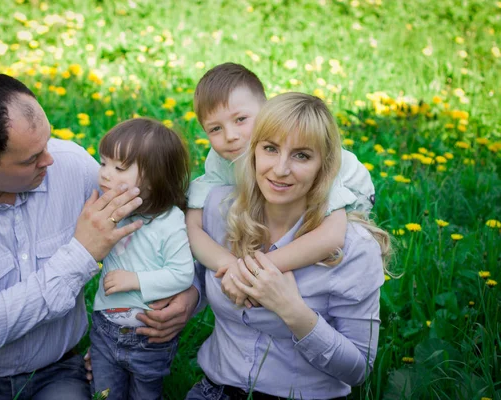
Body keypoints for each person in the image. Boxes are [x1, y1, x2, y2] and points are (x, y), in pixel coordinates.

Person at [0, 74, 195, 400]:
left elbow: (161, 216)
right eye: (31, 159)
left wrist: (190, 293)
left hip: (57, 372)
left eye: (47, 142)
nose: (49, 159)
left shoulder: (69, 166)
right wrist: (82, 253)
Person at [186, 92, 391, 400]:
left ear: (325, 165)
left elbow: (358, 370)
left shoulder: (354, 247)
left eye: (301, 156)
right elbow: (186, 275)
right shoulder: (219, 210)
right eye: (270, 149)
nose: (280, 169)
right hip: (214, 391)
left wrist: (291, 309)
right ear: (252, 151)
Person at [185, 63, 376, 307]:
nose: (230, 135)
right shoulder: (222, 160)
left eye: (241, 119)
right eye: (215, 129)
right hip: (283, 203)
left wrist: (254, 271)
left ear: (267, 111)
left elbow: (332, 236)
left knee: (328, 256)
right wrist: (229, 265)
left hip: (351, 195)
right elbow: (192, 226)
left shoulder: (306, 155)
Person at [89, 118, 194, 399]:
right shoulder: (108, 208)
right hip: (104, 329)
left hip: (148, 336)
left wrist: (133, 280)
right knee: (104, 394)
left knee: (145, 394)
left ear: (153, 178)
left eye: (119, 168)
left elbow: (182, 274)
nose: (105, 174)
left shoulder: (170, 222)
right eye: (103, 163)